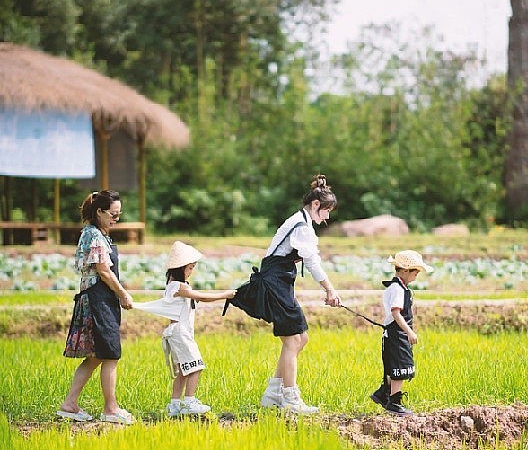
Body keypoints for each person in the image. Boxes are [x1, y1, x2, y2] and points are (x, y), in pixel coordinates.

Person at [226, 175, 342, 414]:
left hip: (280, 282)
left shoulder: (302, 223)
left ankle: (273, 393)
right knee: (293, 339)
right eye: (327, 211)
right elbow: (311, 261)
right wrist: (330, 289)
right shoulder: (302, 227)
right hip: (274, 283)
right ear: (316, 205)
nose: (328, 217)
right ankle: (290, 398)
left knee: (301, 338)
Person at [57, 190, 135, 425]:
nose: (116, 219)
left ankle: (69, 404)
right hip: (98, 301)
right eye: (113, 214)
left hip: (99, 300)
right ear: (99, 212)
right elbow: (103, 270)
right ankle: (111, 409)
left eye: (119, 215)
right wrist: (122, 293)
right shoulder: (95, 236)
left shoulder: (96, 234)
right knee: (110, 354)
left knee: (96, 356)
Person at [136, 241, 236, 416]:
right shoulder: (179, 286)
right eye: (190, 268)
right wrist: (225, 294)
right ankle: (189, 401)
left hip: (178, 332)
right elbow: (202, 297)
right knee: (196, 366)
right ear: (180, 268)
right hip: (180, 332)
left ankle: (174, 405)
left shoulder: (173, 285)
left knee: (184, 369)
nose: (192, 271)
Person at [370, 250, 433, 416]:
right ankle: (394, 402)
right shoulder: (397, 289)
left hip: (396, 333)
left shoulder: (399, 286)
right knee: (401, 368)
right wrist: (409, 332)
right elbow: (396, 312)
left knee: (396, 366)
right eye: (416, 272)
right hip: (397, 334)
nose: (417, 275)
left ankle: (383, 394)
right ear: (405, 271)